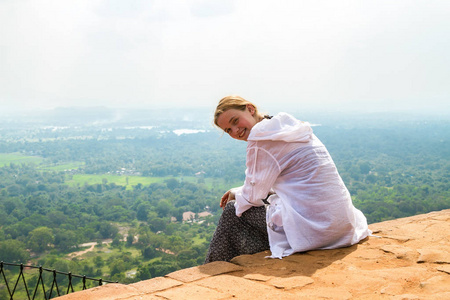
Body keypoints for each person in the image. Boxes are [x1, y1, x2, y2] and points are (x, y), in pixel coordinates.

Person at [204, 95, 371, 263]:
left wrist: (236, 192)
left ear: (250, 109)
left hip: (317, 230)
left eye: (235, 121)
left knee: (233, 210)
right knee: (262, 205)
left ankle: (212, 269)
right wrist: (241, 191)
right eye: (228, 130)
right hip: (342, 225)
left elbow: (251, 196)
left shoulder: (260, 139)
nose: (235, 131)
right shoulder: (286, 127)